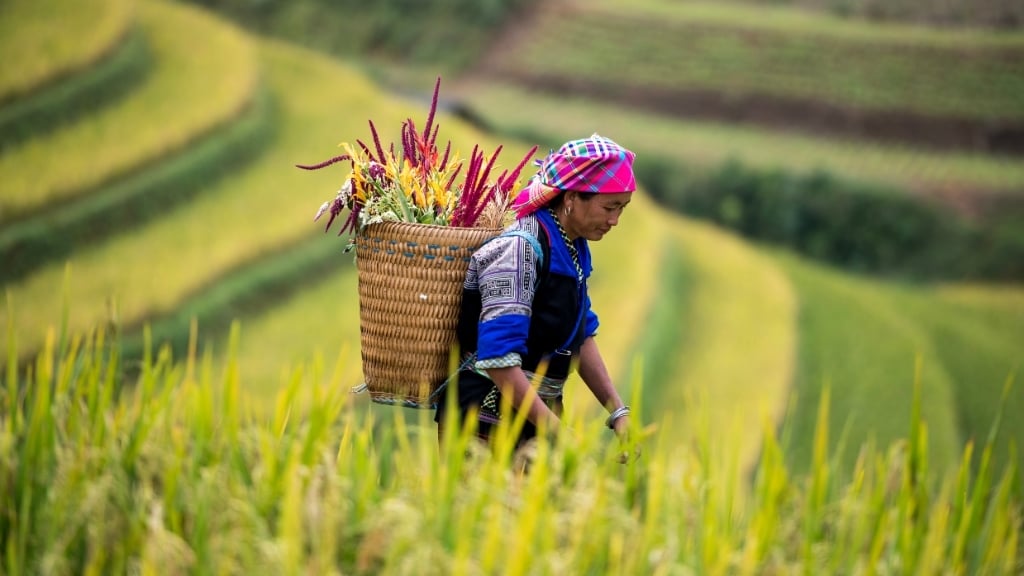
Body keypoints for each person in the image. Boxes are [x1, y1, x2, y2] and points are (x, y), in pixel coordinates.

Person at [434, 133, 636, 450]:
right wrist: (559, 433)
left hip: (533, 417)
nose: (615, 220)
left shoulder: (573, 246)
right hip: (484, 420)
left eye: (622, 208)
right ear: (571, 198)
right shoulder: (519, 250)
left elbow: (579, 331)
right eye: (609, 207)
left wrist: (618, 411)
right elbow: (498, 360)